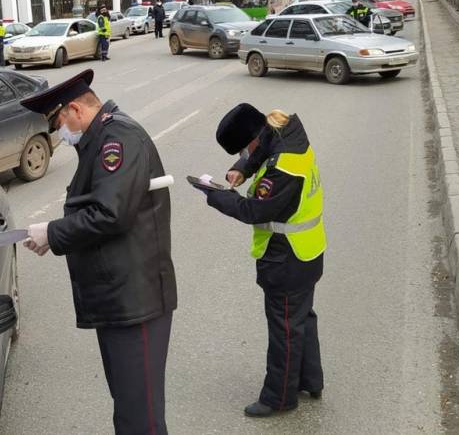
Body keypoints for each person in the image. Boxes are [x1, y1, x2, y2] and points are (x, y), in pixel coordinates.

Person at [20, 69, 177, 435]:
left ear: (74, 109)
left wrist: (54, 233)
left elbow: (110, 213)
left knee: (140, 418)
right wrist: (52, 237)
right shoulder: (99, 138)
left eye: (57, 123)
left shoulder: (117, 138)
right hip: (118, 299)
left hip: (135, 301)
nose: (59, 134)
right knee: (128, 407)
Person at [198, 104, 326, 418]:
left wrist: (216, 196)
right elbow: (263, 148)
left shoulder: (282, 170)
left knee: (284, 328)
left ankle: (279, 397)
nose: (246, 153)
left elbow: (254, 210)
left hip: (287, 259)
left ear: (254, 138)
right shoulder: (287, 132)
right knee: (300, 319)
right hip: (308, 251)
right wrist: (243, 167)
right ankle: (310, 379)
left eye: (245, 149)